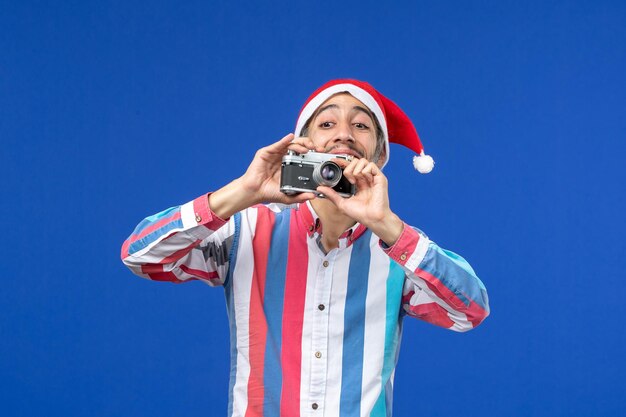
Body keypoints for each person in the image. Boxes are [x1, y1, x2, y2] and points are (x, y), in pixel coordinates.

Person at [121, 79, 489, 417]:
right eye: (326, 124)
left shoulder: (399, 251)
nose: (343, 135)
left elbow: (469, 312)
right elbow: (140, 256)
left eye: (360, 126)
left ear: (378, 157)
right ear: (302, 145)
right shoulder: (246, 229)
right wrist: (242, 192)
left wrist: (389, 227)